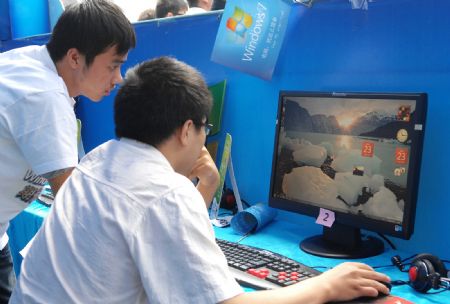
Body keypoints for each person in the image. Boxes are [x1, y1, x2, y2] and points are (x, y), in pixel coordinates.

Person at [10, 56, 391, 303]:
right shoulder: (164, 194)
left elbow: (150, 229)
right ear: (186, 129)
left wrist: (205, 185)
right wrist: (325, 286)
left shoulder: (98, 159)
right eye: (204, 128)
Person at [0, 0, 135, 301]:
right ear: (75, 57)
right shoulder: (45, 96)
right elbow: (75, 209)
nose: (118, 78)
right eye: (113, 65)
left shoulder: (31, 63)